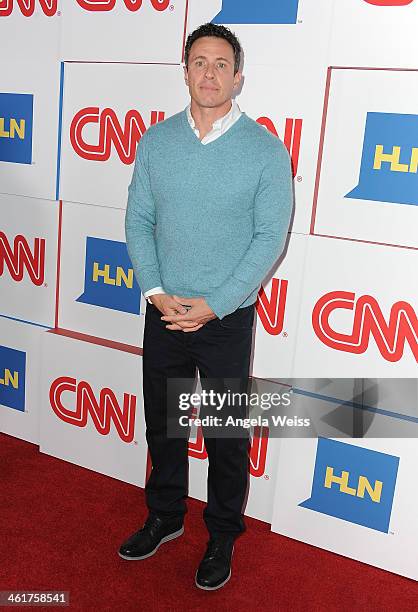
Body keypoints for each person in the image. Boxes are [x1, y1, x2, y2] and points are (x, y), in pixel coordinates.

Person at [120, 22, 293, 590]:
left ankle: (221, 533)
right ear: (185, 71)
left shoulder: (266, 151)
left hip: (226, 317)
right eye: (199, 62)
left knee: (225, 434)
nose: (210, 73)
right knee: (162, 426)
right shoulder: (156, 142)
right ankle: (166, 516)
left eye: (221, 64)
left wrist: (214, 305)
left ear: (238, 76)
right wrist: (156, 292)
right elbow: (139, 220)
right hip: (164, 309)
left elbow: (269, 237)